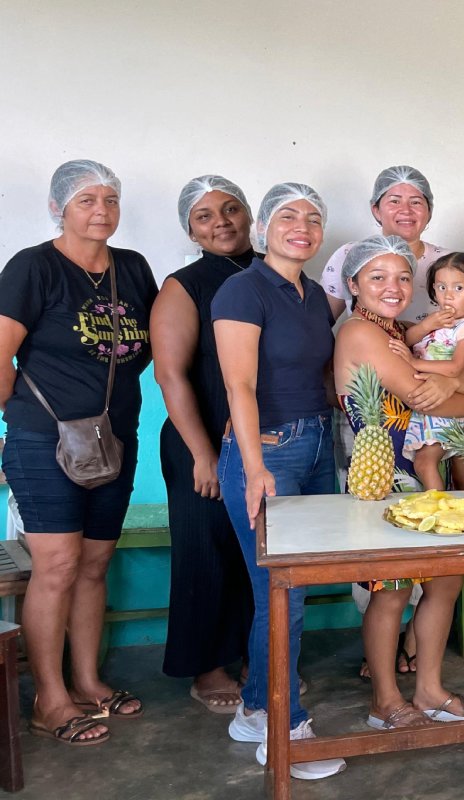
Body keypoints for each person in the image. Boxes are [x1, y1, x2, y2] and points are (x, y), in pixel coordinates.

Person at [0, 160, 157, 745]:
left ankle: (88, 680)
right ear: (59, 207)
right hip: (44, 438)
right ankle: (50, 697)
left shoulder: (134, 269)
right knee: (58, 565)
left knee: (94, 564)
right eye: (87, 200)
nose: (101, 211)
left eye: (110, 200)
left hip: (114, 437)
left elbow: (152, 345)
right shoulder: (33, 268)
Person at [212, 182, 346, 780]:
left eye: (313, 218)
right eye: (288, 216)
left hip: (317, 445)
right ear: (264, 227)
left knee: (294, 587)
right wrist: (255, 464)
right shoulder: (242, 289)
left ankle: (252, 709)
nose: (302, 226)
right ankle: (285, 730)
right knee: (280, 594)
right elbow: (239, 385)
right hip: (270, 454)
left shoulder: (314, 294)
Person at [334, 235, 464, 727]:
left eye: (403, 276)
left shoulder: (403, 332)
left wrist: (458, 387)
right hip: (384, 480)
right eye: (377, 277)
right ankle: (385, 698)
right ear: (354, 283)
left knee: (445, 582)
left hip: (425, 475)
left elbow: (462, 378)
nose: (393, 286)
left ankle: (429, 689)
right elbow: (439, 395)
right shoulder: (359, 332)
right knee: (393, 590)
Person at [151, 175, 254, 712]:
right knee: (206, 552)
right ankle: (206, 666)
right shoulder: (183, 285)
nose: (222, 222)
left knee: (255, 553)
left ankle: (252, 657)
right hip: (203, 440)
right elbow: (171, 375)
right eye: (205, 216)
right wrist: (203, 453)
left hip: (261, 440)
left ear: (251, 214)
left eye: (231, 208)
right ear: (190, 230)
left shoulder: (274, 273)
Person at [400, 253, 464, 491]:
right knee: (456, 466)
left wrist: (414, 363)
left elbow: (455, 368)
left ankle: (437, 510)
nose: (448, 295)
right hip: (431, 406)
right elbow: (407, 338)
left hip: (445, 406)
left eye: (459, 287)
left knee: (425, 463)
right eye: (441, 287)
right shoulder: (436, 321)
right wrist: (427, 325)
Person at [321, 165, 447, 322]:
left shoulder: (449, 263)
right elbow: (319, 326)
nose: (406, 210)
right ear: (376, 210)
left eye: (415, 202)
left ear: (429, 211)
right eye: (394, 201)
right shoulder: (349, 256)